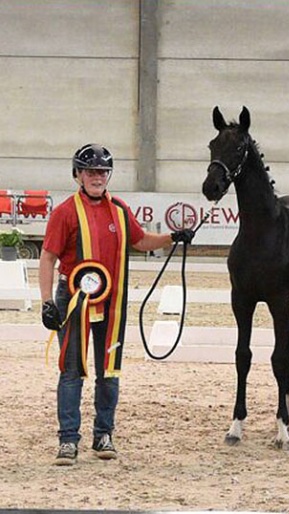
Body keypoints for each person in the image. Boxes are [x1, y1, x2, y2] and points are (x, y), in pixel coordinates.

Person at [39, 143, 195, 466]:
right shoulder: (65, 213)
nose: (97, 177)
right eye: (91, 171)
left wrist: (172, 237)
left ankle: (103, 434)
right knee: (71, 372)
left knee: (108, 372)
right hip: (74, 302)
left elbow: (139, 241)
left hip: (112, 303)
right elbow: (48, 257)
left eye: (102, 172)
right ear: (78, 175)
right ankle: (68, 439)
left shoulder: (119, 210)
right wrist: (45, 302)